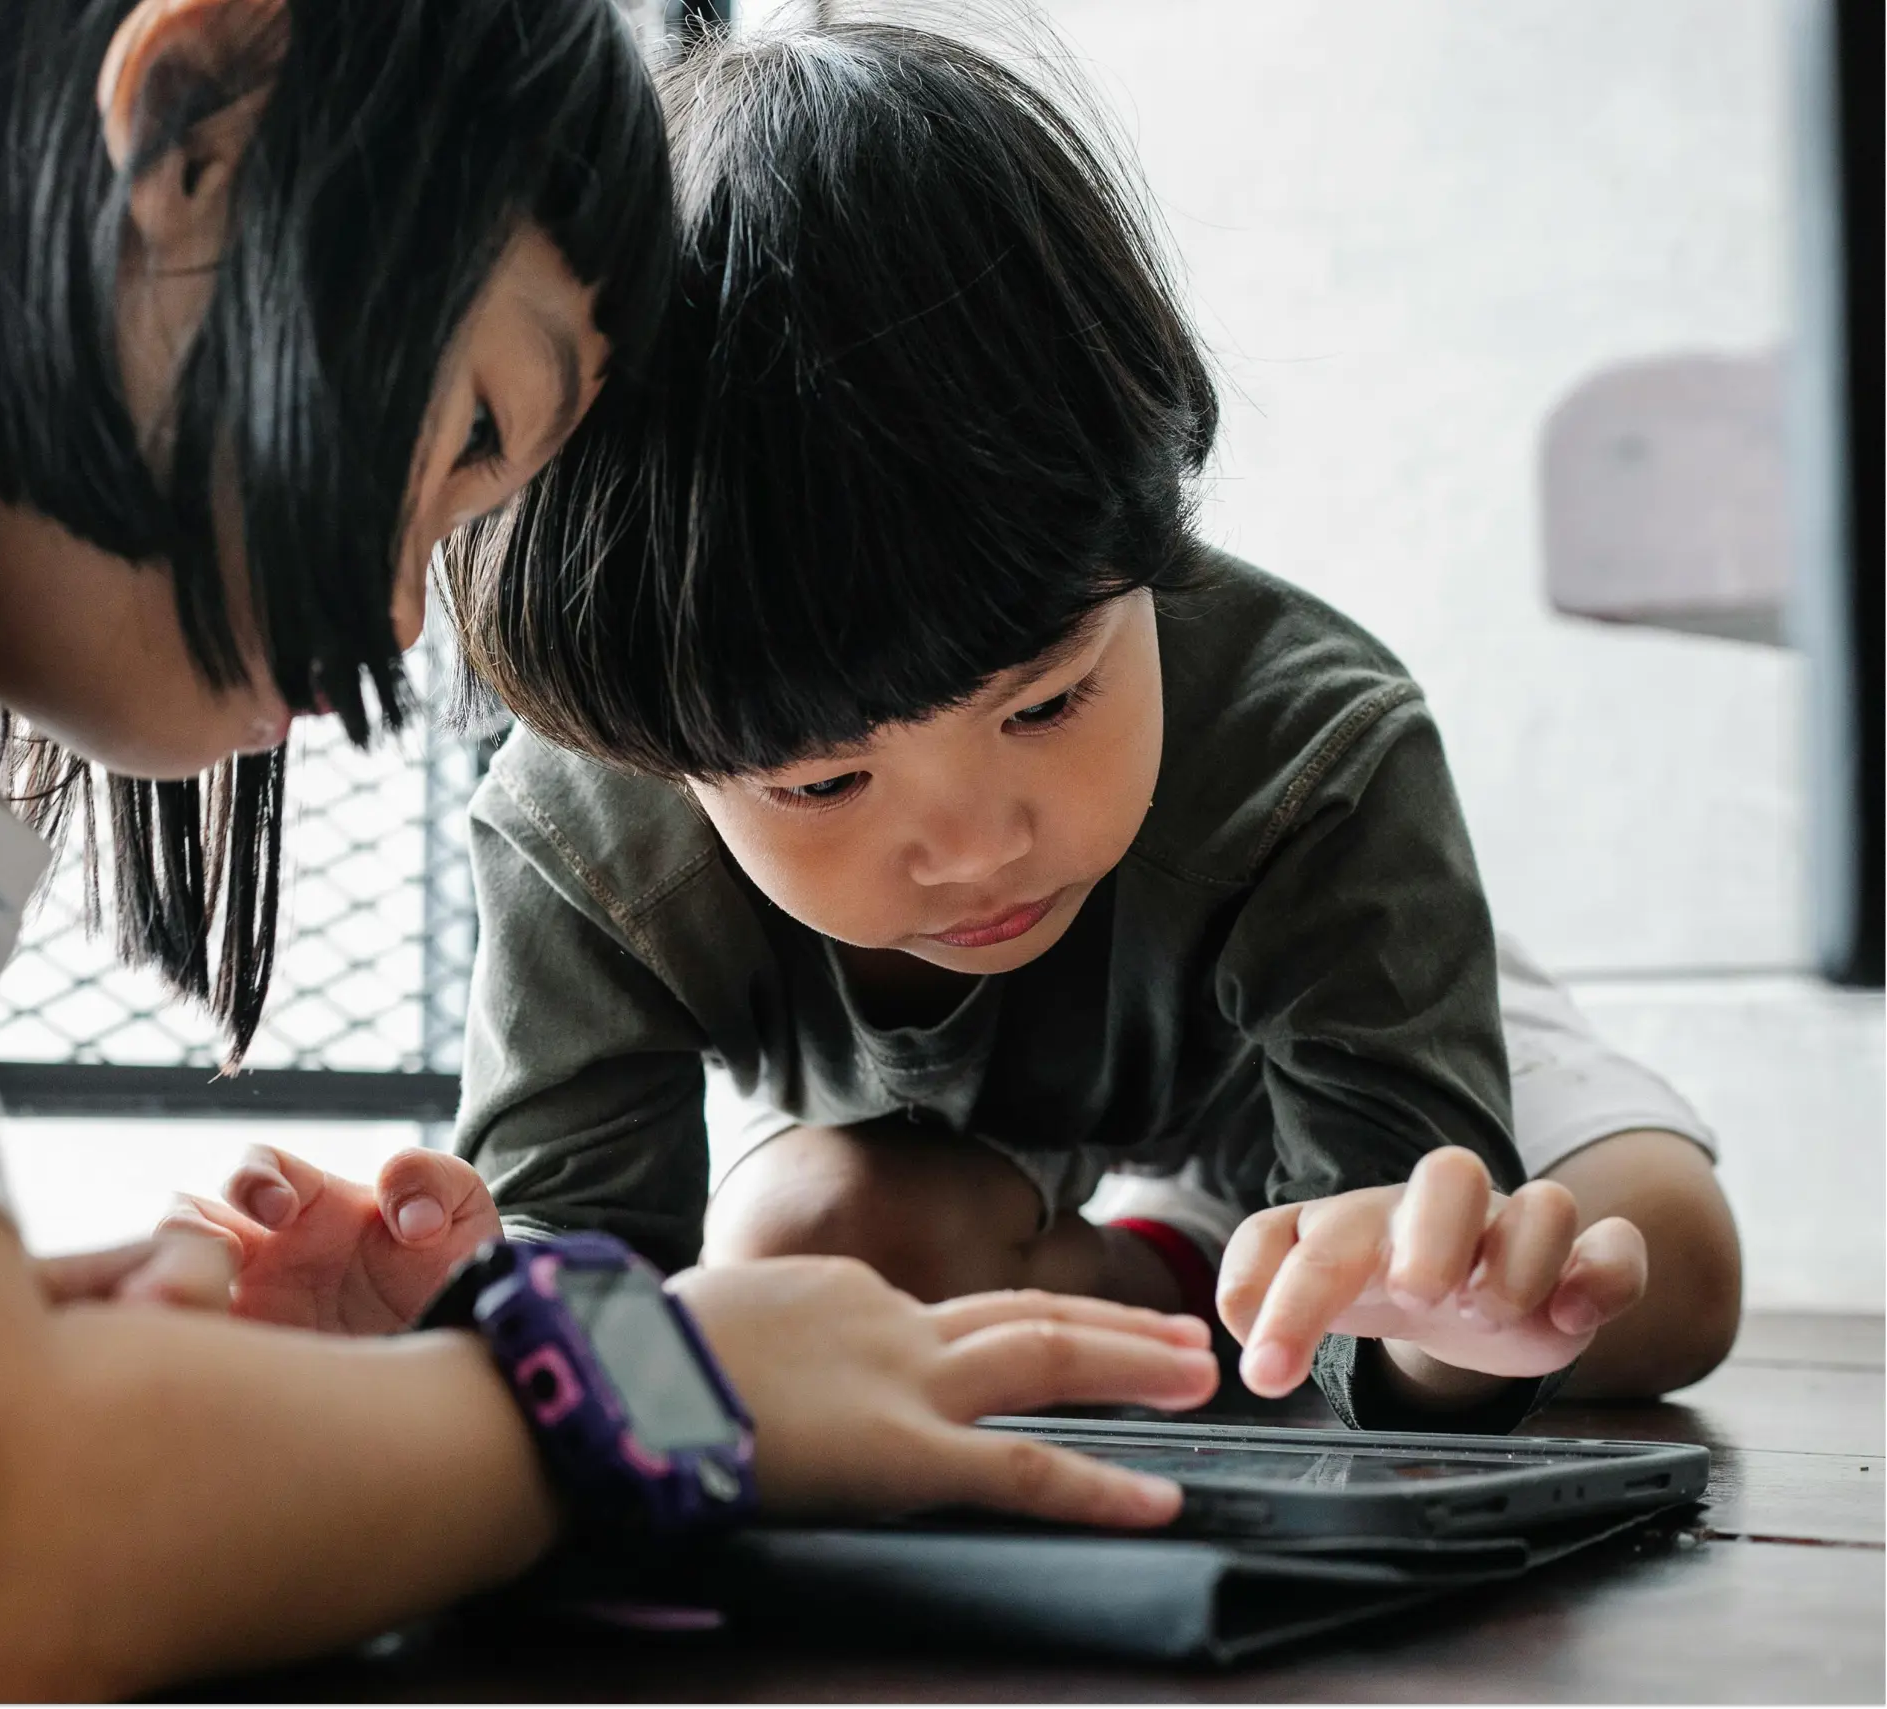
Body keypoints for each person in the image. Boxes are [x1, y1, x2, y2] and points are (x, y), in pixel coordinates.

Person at [0, 4, 1227, 1700]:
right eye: (470, 432)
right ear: (200, 124)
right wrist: (668, 1397)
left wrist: (207, 1402)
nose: (406, 613)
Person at [199, 21, 1742, 1433]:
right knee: (804, 1244)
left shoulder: (1315, 756)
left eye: (1052, 699)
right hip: (969, 1163)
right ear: (657, 755)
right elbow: (584, 1258)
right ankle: (1154, 1276)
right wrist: (465, 1302)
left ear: (1152, 550)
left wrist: (1440, 1325)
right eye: (820, 780)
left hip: (1338, 1054)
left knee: (1645, 1261)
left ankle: (1206, 1273)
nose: (977, 840)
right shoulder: (588, 838)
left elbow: (1397, 1235)